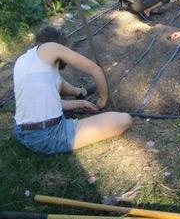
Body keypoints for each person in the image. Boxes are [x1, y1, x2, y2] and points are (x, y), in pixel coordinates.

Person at [13, 27, 132, 155]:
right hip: (48, 135)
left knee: (54, 77)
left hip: (21, 131)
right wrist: (103, 99)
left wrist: (80, 103)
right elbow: (95, 70)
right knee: (124, 119)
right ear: (61, 45)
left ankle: (80, 92)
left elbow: (46, 101)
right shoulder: (52, 47)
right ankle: (81, 94)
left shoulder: (23, 59)